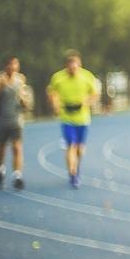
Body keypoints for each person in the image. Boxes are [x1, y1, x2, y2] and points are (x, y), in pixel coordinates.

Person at [47, 50, 99, 189]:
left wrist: (86, 101)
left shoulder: (87, 76)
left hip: (82, 118)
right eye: (70, 65)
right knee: (71, 146)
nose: (73, 67)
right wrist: (56, 105)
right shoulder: (58, 78)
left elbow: (94, 94)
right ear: (66, 65)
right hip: (66, 118)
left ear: (79, 64)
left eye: (76, 64)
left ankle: (76, 166)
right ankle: (73, 174)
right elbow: (52, 93)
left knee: (80, 149)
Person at [0, 56, 30, 190]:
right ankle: (0, 170)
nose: (13, 67)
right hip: (1, 120)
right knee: (2, 148)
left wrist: (24, 100)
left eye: (15, 64)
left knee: (17, 147)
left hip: (16, 120)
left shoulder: (20, 79)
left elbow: (25, 101)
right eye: (10, 65)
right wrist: (0, 87)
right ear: (6, 66)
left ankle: (17, 176)